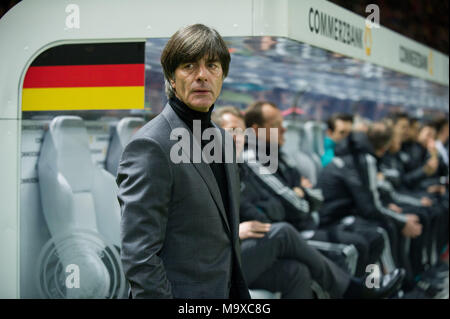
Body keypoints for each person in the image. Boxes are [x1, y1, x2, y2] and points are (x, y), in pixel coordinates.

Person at [213, 106, 405, 299]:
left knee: (298, 272)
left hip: (260, 243)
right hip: (224, 257)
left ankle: (365, 288)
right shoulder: (223, 169)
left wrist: (295, 198)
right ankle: (356, 290)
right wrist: (235, 230)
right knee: (294, 234)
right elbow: (285, 207)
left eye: (241, 131)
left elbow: (285, 205)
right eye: (231, 131)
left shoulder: (247, 168)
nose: (238, 137)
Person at [117, 24, 249, 299]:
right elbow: (140, 256)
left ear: (222, 75)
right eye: (189, 66)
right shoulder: (151, 145)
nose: (202, 76)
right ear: (172, 78)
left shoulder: (224, 140)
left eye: (212, 66)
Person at [242, 101, 386, 278]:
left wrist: (301, 195)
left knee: (372, 238)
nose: (284, 129)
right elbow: (294, 205)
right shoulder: (251, 158)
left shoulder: (281, 155)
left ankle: (371, 287)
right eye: (276, 125)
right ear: (257, 130)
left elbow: (316, 195)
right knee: (354, 247)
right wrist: (300, 196)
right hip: (294, 232)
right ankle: (366, 289)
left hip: (307, 224)